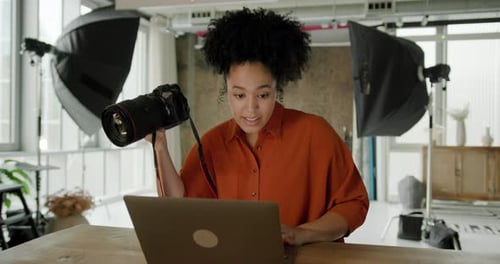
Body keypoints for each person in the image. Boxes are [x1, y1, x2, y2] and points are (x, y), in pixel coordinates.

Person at [148, 7, 369, 246]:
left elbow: (353, 204)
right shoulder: (212, 144)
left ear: (277, 89)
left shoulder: (316, 134)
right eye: (240, 95)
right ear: (227, 91)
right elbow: (179, 206)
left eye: (262, 95)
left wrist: (302, 233)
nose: (251, 110)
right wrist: (160, 148)